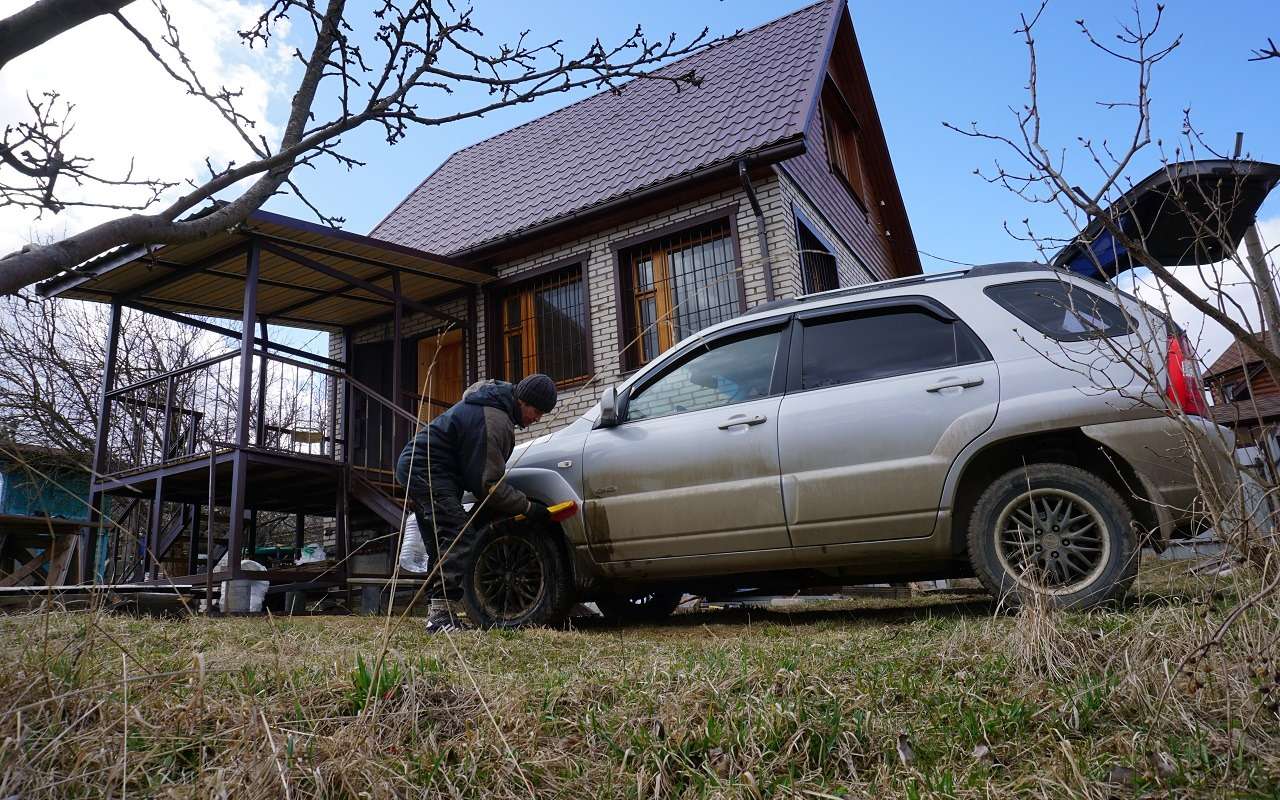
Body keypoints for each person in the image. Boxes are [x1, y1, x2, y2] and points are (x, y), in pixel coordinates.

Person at [395, 373, 558, 632]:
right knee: (458, 535)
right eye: (536, 411)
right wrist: (528, 507)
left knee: (443, 542)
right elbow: (489, 485)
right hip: (425, 470)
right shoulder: (495, 420)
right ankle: (440, 618)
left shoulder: (491, 407)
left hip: (419, 467)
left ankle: (437, 615)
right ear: (522, 401)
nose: (537, 418)